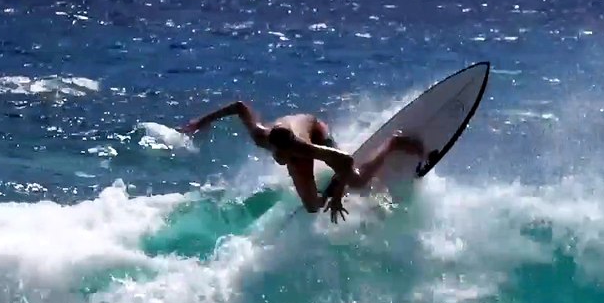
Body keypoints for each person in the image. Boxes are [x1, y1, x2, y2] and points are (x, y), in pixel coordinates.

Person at [179, 101, 422, 223]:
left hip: (315, 129)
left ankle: (394, 144)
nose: (282, 160)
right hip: (292, 131)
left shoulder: (305, 149)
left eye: (288, 156)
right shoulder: (261, 136)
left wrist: (338, 194)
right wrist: (201, 122)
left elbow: (345, 161)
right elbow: (239, 107)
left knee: (356, 181)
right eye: (280, 156)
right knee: (313, 206)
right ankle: (326, 193)